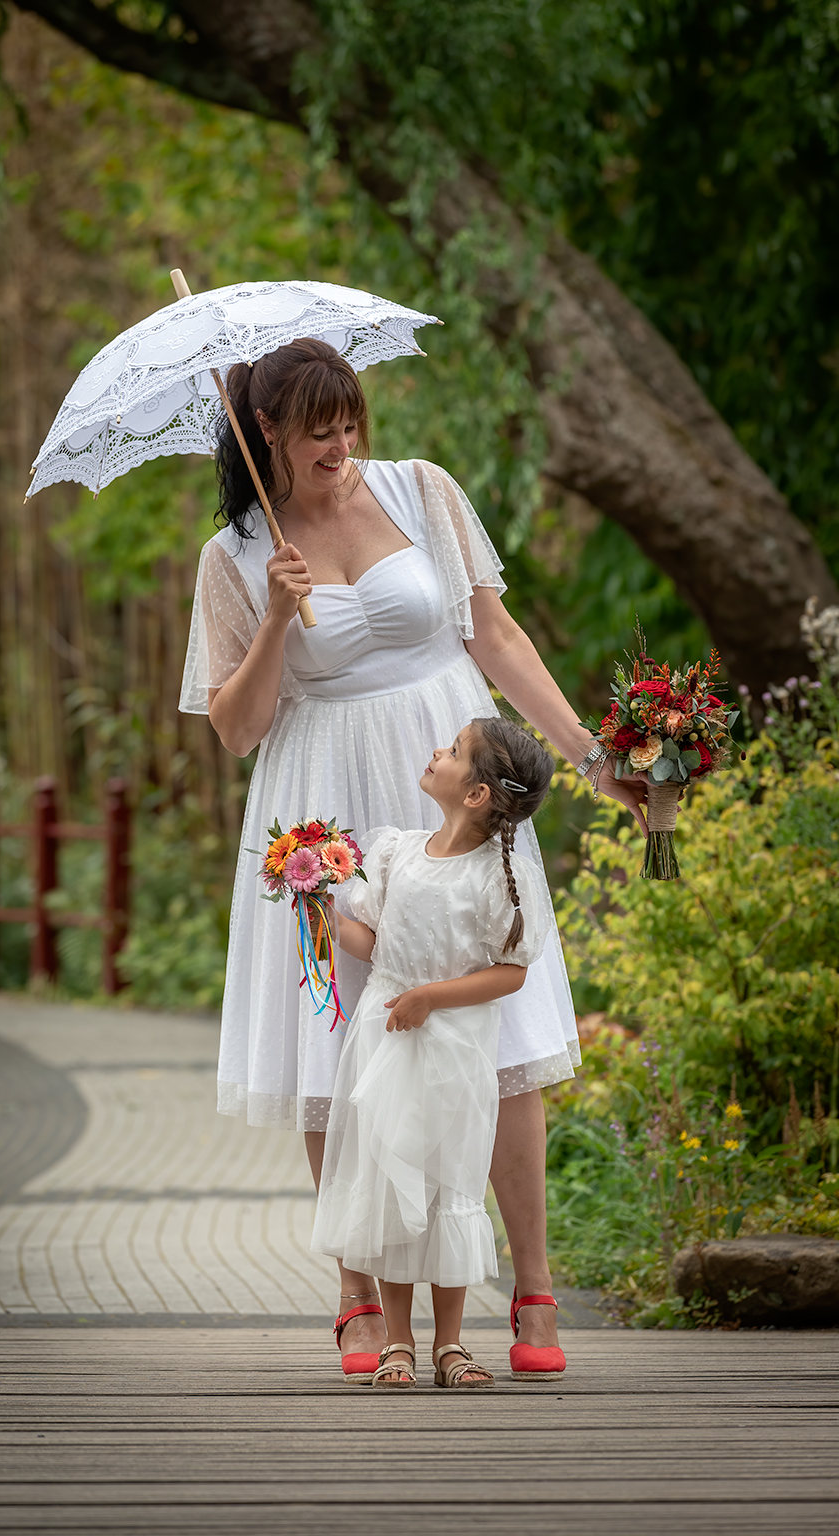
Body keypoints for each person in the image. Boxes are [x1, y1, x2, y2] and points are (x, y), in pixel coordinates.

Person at [178, 337, 646, 1381]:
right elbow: (236, 729)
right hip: (322, 795)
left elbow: (497, 639)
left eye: (350, 423)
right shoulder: (233, 556)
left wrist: (589, 757)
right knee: (341, 1038)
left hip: (453, 769)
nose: (340, 446)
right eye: (318, 431)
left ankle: (532, 1286)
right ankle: (357, 1296)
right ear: (267, 431)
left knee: (498, 1030)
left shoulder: (421, 490)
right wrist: (276, 622)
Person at [312, 719, 555, 1389]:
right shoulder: (397, 852)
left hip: (451, 1046)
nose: (435, 753)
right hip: (386, 1035)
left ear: (476, 794)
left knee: (449, 1182)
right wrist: (322, 908)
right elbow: (373, 941)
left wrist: (431, 998)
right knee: (392, 1180)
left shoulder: (500, 876)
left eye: (450, 752)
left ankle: (450, 1342)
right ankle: (398, 1341)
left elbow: (510, 973)